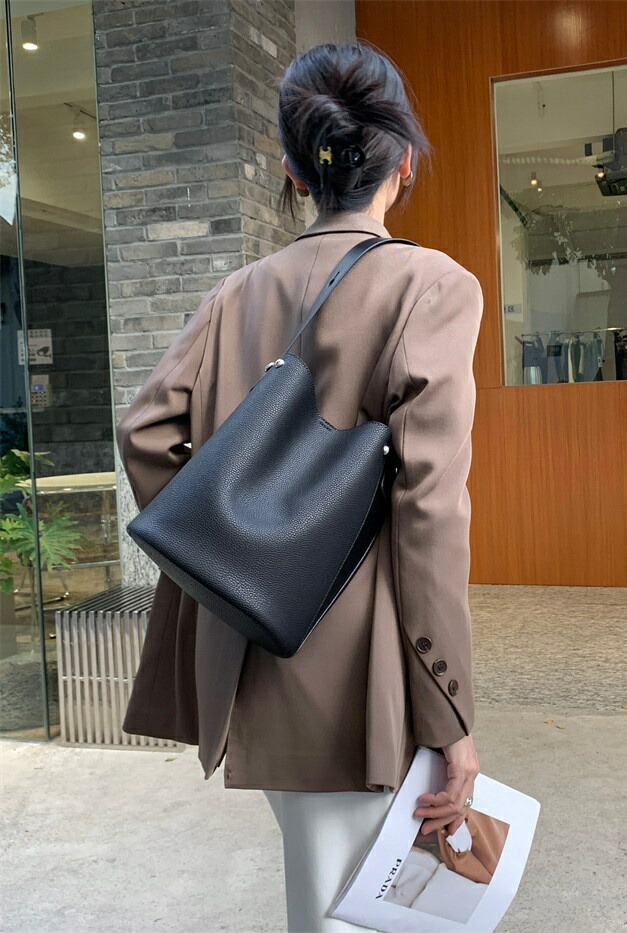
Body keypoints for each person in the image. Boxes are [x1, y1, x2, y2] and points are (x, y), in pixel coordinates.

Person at [116, 40, 483, 933]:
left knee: (329, 896)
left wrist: (246, 545)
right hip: (365, 671)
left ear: (293, 170)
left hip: (260, 641)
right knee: (357, 910)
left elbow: (146, 430)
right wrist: (451, 712)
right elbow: (429, 508)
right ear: (403, 161)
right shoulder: (431, 286)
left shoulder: (237, 292)